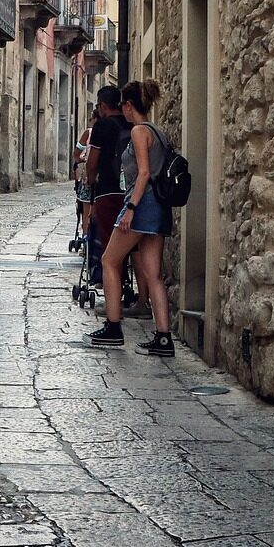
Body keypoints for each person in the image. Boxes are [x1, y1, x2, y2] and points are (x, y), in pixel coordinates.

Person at [82, 80, 175, 357]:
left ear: (129, 105)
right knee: (153, 274)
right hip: (159, 206)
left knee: (110, 261)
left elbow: (143, 173)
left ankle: (112, 327)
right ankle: (163, 337)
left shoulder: (138, 132)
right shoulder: (159, 132)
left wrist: (131, 207)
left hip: (141, 204)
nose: (122, 109)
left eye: (123, 104)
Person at [86, 87, 151, 318]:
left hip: (108, 194)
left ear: (103, 106)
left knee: (110, 251)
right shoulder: (131, 126)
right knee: (135, 250)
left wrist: (90, 181)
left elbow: (92, 163)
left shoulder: (101, 126)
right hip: (132, 193)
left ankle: (113, 306)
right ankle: (142, 301)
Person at [73, 110, 98, 241]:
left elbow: (76, 155)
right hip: (109, 181)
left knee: (87, 211)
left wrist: (84, 159)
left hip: (89, 178)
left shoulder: (89, 133)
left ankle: (86, 239)